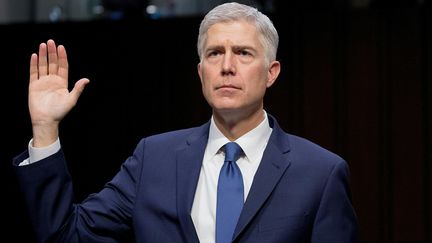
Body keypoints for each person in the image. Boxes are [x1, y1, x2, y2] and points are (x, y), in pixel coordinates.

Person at [13, 2, 358, 243]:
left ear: (271, 73)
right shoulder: (153, 159)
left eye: (243, 53)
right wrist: (45, 129)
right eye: (214, 54)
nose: (226, 66)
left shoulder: (320, 174)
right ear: (200, 72)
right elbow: (67, 235)